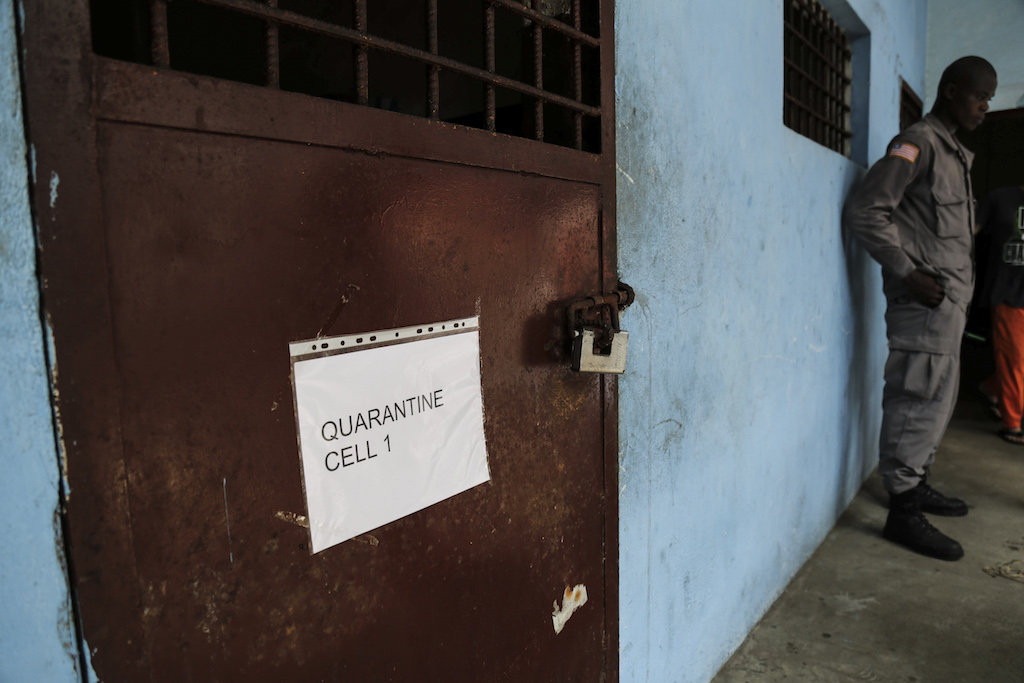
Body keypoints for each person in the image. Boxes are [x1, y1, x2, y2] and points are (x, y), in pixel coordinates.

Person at [844, 56, 998, 561]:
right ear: (952, 91)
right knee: (916, 399)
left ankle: (918, 481)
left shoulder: (954, 152)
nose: (986, 107)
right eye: (980, 96)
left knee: (937, 401)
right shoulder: (919, 143)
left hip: (948, 306)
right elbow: (868, 211)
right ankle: (902, 511)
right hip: (923, 303)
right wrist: (907, 271)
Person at [976, 185, 1024, 444]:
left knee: (1019, 361)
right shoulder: (1001, 198)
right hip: (1008, 293)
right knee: (1014, 359)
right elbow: (970, 231)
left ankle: (992, 388)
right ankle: (1012, 423)